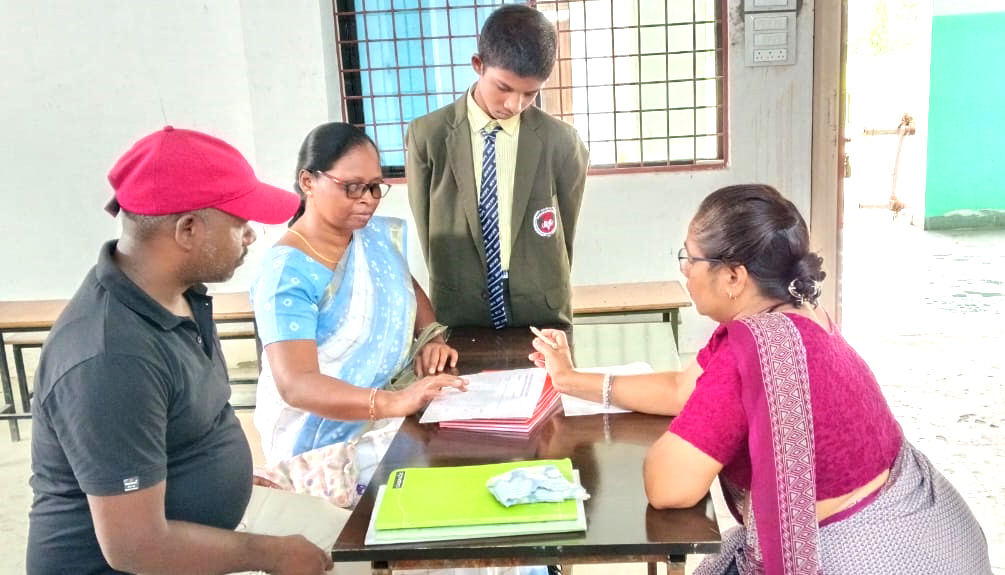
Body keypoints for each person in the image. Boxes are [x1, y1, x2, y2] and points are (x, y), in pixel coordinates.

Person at [529, 185, 993, 574]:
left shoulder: (753, 354)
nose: (684, 272)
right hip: (937, 535)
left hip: (870, 558)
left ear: (733, 276)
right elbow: (679, 390)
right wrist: (570, 380)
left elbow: (669, 487)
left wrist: (694, 430)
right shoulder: (798, 316)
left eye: (688, 258)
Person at [27, 126, 334, 575]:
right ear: (188, 230)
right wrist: (265, 553)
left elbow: (181, 422)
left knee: (366, 538)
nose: (250, 235)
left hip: (202, 531)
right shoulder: (111, 359)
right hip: (138, 563)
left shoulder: (179, 294)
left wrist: (221, 477)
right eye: (240, 223)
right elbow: (136, 548)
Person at [251, 122, 466, 469]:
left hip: (390, 416)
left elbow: (405, 285)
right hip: (319, 444)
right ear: (309, 182)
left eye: (374, 187)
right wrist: (391, 403)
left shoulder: (371, 238)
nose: (367, 200)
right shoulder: (286, 273)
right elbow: (297, 385)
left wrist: (432, 339)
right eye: (352, 187)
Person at [407, 4, 589, 329]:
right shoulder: (428, 136)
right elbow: (427, 225)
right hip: (459, 308)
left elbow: (565, 231)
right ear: (478, 65)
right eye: (503, 87)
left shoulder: (561, 142)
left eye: (530, 93)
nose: (514, 104)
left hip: (541, 308)